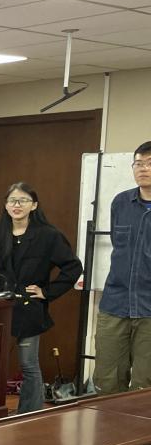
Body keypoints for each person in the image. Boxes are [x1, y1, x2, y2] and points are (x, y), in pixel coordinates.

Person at [0, 183, 83, 414]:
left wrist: (47, 292)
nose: (17, 205)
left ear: (34, 205)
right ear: (6, 205)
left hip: (29, 305)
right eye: (12, 200)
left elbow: (73, 267)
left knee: (29, 364)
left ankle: (29, 413)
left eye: (23, 200)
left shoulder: (48, 235)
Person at [95, 142, 151, 394]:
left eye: (149, 164)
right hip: (115, 305)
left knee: (144, 386)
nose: (143, 169)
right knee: (107, 380)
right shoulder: (121, 202)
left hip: (149, 309)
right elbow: (118, 247)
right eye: (138, 163)